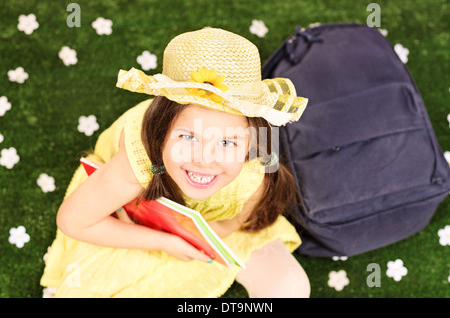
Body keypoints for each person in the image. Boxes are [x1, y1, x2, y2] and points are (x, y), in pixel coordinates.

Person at [40, 28, 310, 298]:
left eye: (227, 143)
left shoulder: (254, 176)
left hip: (206, 218)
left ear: (251, 143)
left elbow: (229, 226)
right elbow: (73, 222)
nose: (205, 160)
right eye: (189, 137)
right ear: (159, 132)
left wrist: (198, 236)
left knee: (291, 289)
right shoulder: (144, 160)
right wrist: (165, 241)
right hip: (144, 202)